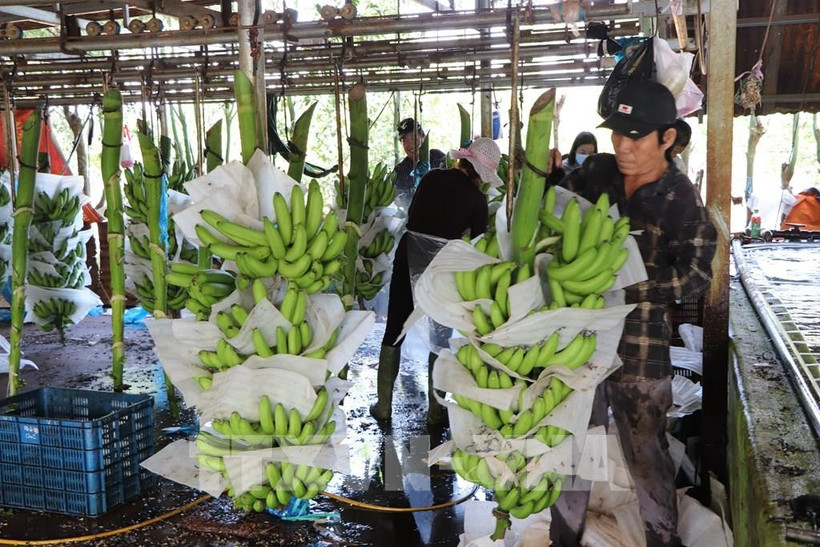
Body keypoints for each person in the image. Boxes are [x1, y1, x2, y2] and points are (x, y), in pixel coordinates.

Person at [546, 80, 717, 547]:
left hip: (639, 350)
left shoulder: (681, 199)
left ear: (667, 138)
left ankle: (663, 539)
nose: (622, 146)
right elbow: (553, 215)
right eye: (617, 134)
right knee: (573, 446)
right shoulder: (595, 175)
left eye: (636, 137)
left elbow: (697, 275)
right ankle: (565, 536)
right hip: (578, 341)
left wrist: (628, 282)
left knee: (646, 454)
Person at [370, 138, 498, 426]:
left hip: (408, 254)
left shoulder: (431, 177)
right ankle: (435, 410)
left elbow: (414, 214)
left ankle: (384, 407)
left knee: (395, 328)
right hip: (443, 265)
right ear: (481, 173)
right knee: (439, 335)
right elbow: (477, 241)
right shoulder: (477, 200)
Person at [393, 118, 446, 209]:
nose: (410, 144)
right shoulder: (400, 169)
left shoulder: (437, 157)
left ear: (423, 137)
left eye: (413, 138)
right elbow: (398, 195)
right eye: (405, 140)